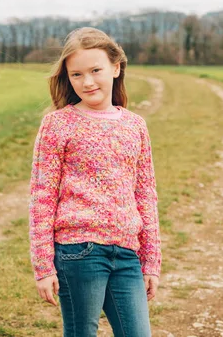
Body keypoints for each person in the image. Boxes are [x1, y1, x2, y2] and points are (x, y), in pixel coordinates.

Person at [28, 27, 162, 336]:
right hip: (79, 252)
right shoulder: (58, 124)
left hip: (127, 255)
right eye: (76, 75)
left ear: (116, 68)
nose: (87, 82)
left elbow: (145, 194)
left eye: (95, 70)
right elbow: (42, 197)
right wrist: (43, 266)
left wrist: (151, 260)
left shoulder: (135, 125)